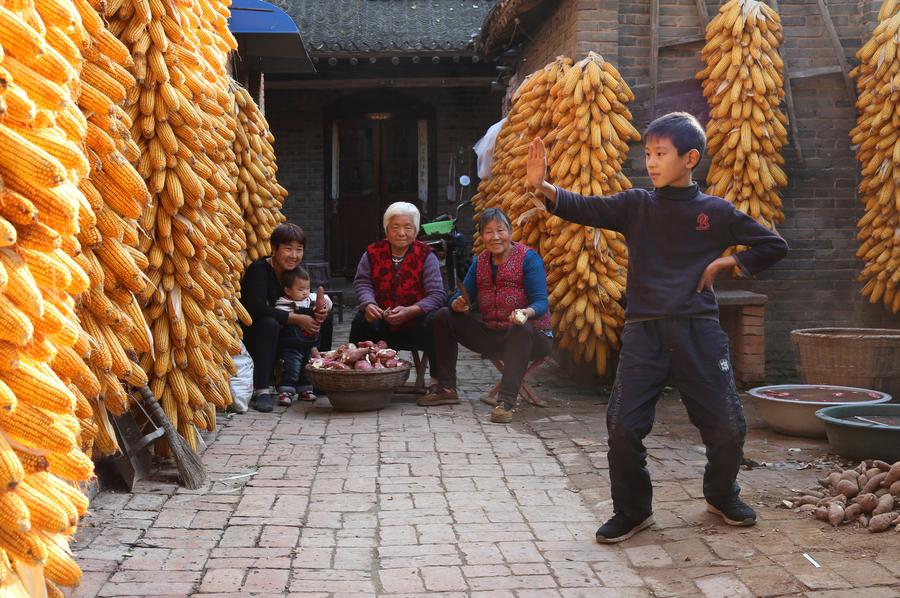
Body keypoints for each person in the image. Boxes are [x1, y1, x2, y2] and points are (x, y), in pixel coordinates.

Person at [526, 112, 789, 543]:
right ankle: (633, 511)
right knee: (623, 426)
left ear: (690, 159)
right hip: (644, 332)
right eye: (647, 154)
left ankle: (721, 494)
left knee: (727, 426)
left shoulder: (715, 212)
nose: (650, 162)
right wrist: (543, 186)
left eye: (660, 154)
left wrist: (730, 261)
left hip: (698, 331)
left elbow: (773, 245)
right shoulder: (636, 205)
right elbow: (585, 207)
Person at [421, 208, 552, 423]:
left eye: (500, 230)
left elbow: (541, 301)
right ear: (482, 236)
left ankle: (506, 402)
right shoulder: (480, 261)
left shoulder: (529, 259)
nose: (495, 237)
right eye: (488, 232)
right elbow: (462, 294)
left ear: (510, 232)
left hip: (532, 336)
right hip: (492, 334)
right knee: (443, 316)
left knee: (521, 327)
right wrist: (457, 302)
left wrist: (524, 313)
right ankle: (446, 388)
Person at [239, 223, 332, 412]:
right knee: (269, 323)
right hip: (258, 331)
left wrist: (318, 312)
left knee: (326, 319)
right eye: (288, 249)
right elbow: (255, 309)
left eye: (299, 250)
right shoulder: (259, 270)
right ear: (274, 249)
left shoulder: (295, 273)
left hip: (289, 332)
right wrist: (296, 319)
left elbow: (304, 299)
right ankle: (262, 390)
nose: (294, 255)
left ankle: (318, 376)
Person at [350, 202, 446, 371]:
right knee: (361, 319)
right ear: (386, 229)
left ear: (415, 231)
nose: (401, 233)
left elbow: (437, 295)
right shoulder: (373, 253)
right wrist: (369, 304)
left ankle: (439, 382)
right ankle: (357, 372)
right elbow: (363, 282)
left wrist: (411, 311)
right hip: (381, 323)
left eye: (408, 227)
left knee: (437, 320)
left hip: (416, 325)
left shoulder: (426, 255)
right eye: (395, 227)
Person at [274, 267, 333, 406]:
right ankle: (286, 391)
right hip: (292, 344)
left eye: (307, 288)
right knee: (292, 367)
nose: (305, 292)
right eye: (300, 289)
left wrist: (322, 301)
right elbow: (280, 314)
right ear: (288, 290)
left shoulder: (311, 298)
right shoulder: (284, 303)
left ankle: (305, 390)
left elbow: (328, 303)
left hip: (311, 343)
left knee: (308, 367)